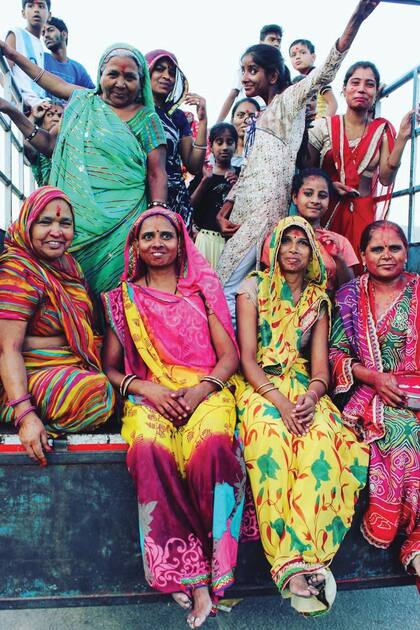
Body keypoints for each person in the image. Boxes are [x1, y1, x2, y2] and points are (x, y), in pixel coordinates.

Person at [102, 207, 245, 628]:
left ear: (182, 241)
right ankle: (192, 575)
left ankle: (217, 568)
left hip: (207, 390)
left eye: (167, 235)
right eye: (149, 236)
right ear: (136, 245)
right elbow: (112, 368)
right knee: (149, 451)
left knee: (214, 451)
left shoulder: (203, 289)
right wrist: (147, 389)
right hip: (150, 394)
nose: (159, 243)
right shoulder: (122, 298)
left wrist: (201, 391)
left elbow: (230, 357)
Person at [216, 0, 381, 325]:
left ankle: (235, 362)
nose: (245, 77)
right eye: (243, 70)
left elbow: (328, 69)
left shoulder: (288, 102)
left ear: (273, 74)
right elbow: (249, 170)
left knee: (229, 286)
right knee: (239, 286)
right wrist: (226, 206)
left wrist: (356, 19)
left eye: (253, 70)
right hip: (242, 214)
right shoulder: (260, 116)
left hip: (264, 215)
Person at [235, 215, 369, 615]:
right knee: (270, 444)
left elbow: (321, 370)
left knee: (323, 445)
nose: (293, 249)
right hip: (261, 386)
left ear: (312, 251)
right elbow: (246, 360)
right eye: (286, 241)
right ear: (273, 248)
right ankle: (291, 565)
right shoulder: (252, 289)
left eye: (302, 242)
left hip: (302, 388)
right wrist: (278, 402)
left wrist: (312, 397)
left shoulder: (317, 298)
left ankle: (306, 558)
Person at [0, 41, 168, 295]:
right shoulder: (83, 103)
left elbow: (157, 172)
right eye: (113, 74)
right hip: (76, 222)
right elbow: (46, 80)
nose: (120, 83)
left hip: (124, 223)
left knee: (116, 292)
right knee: (73, 289)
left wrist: (157, 215)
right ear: (101, 75)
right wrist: (12, 57)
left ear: (141, 82)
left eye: (130, 77)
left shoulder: (148, 118)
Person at [329, 220, 420, 581]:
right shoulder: (349, 297)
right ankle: (412, 543)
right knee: (400, 434)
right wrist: (376, 377)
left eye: (394, 248)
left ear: (406, 252)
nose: (386, 255)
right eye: (377, 249)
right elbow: (336, 355)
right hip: (371, 396)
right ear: (363, 255)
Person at [0, 186, 115, 466]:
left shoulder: (69, 266)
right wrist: (25, 415)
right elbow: (7, 348)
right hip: (25, 378)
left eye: (65, 223)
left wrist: (63, 344)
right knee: (95, 394)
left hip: (70, 366)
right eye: (45, 221)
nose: (56, 231)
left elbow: (80, 328)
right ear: (28, 223)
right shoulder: (18, 268)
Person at [308, 60, 419, 258]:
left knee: (358, 271)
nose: (361, 89)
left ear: (376, 92)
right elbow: (305, 171)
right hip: (322, 209)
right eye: (355, 83)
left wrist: (402, 135)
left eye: (369, 84)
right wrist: (328, 186)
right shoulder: (323, 127)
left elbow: (386, 178)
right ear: (344, 89)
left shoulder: (381, 130)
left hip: (362, 214)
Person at [145, 49, 207, 231]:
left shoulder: (177, 117)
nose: (167, 76)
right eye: (160, 69)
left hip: (175, 202)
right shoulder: (134, 110)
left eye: (172, 72)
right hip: (140, 195)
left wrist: (203, 121)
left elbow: (194, 165)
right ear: (145, 72)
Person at [189, 123, 240, 268]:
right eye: (219, 142)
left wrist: (238, 187)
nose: (224, 147)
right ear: (211, 146)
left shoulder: (241, 174)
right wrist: (204, 182)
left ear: (235, 146)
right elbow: (189, 206)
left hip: (231, 242)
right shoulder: (203, 174)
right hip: (205, 240)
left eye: (229, 142)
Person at [216, 24, 283, 123]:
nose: (276, 43)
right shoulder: (244, 69)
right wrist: (218, 124)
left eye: (279, 40)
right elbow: (232, 96)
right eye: (271, 39)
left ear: (273, 76)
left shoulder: (284, 105)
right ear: (261, 42)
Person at [5, 0, 51, 106]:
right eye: (30, 6)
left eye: (41, 6)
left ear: (49, 15)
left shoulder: (40, 46)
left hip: (39, 105)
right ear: (23, 13)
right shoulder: (16, 33)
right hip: (20, 104)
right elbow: (4, 72)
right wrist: (15, 99)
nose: (36, 10)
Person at [43, 16, 95, 98]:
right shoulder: (41, 59)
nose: (45, 35)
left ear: (64, 34)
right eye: (43, 33)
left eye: (50, 30)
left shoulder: (78, 69)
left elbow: (94, 95)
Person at [289, 39, 338, 117]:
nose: (297, 57)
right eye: (293, 55)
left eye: (303, 52)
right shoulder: (297, 82)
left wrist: (323, 123)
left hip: (318, 125)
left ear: (313, 57)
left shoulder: (318, 78)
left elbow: (333, 103)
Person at [24, 100, 63, 185]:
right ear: (41, 123)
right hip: (51, 196)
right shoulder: (39, 151)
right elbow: (27, 144)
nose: (56, 119)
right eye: (50, 115)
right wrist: (33, 116)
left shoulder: (72, 144)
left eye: (60, 116)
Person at [230, 98, 261, 168]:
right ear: (232, 120)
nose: (246, 120)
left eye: (252, 116)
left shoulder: (263, 153)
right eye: (240, 115)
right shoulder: (222, 151)